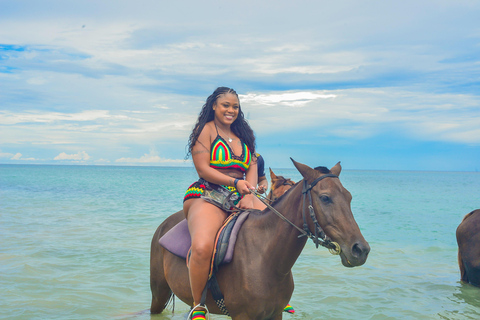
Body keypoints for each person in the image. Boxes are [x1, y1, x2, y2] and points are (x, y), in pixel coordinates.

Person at [183, 87, 266, 319]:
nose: (231, 110)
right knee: (201, 247)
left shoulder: (245, 137)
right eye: (226, 105)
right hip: (207, 195)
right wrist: (234, 182)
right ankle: (197, 305)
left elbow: (251, 167)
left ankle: (277, 293)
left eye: (235, 106)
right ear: (214, 106)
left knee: (279, 227)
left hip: (240, 194)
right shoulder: (205, 131)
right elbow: (203, 168)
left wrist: (250, 194)